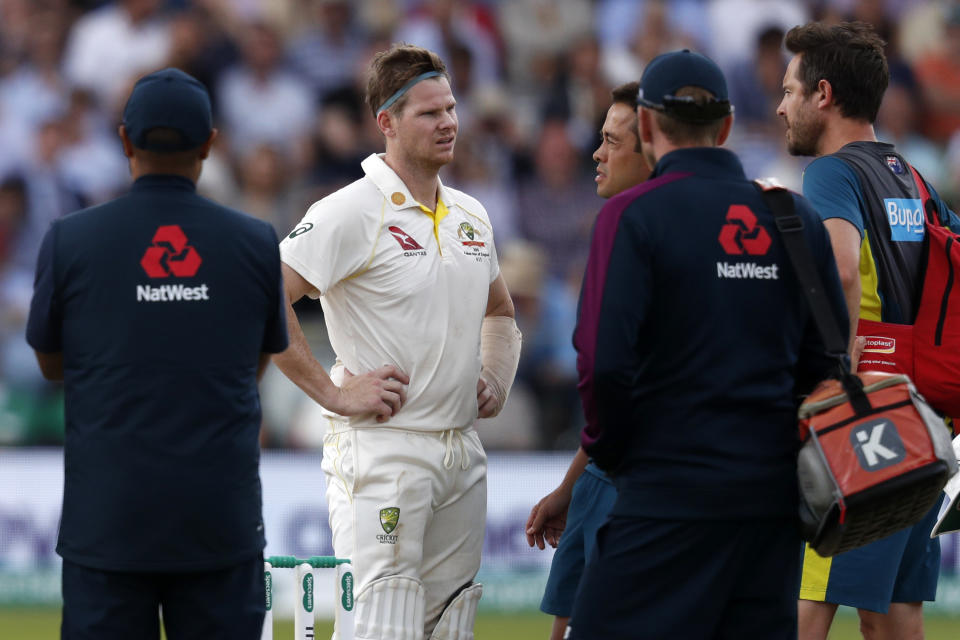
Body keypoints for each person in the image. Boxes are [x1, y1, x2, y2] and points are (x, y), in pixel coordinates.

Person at [564, 49, 849, 639]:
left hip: (666, 494)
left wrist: (613, 453)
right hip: (770, 507)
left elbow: (603, 364)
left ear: (644, 127)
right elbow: (826, 363)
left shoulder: (631, 215)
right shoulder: (794, 219)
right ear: (725, 127)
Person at [25, 68, 288, 639]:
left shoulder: (71, 239)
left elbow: (50, 363)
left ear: (125, 141)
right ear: (210, 144)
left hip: (108, 526)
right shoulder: (255, 241)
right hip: (220, 523)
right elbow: (257, 361)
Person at [273, 43, 521, 640]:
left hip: (461, 452)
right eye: (429, 113)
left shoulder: (470, 214)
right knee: (381, 627)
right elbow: (262, 297)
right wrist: (334, 395)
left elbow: (500, 310)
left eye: (452, 108)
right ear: (386, 121)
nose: (449, 123)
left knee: (449, 627)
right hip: (384, 451)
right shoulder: (349, 210)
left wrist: (495, 375)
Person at [776, 21, 960, 640]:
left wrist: (831, 376)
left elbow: (842, 268)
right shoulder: (912, 176)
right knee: (892, 615)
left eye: (789, 90)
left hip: (865, 419)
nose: (779, 106)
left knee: (805, 606)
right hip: (924, 417)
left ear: (822, 95)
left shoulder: (832, 173)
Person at [524, 80, 648, 640]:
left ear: (652, 147)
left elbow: (609, 378)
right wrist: (571, 487)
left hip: (637, 485)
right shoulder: (623, 223)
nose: (595, 153)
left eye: (611, 141)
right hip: (605, 473)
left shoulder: (629, 227)